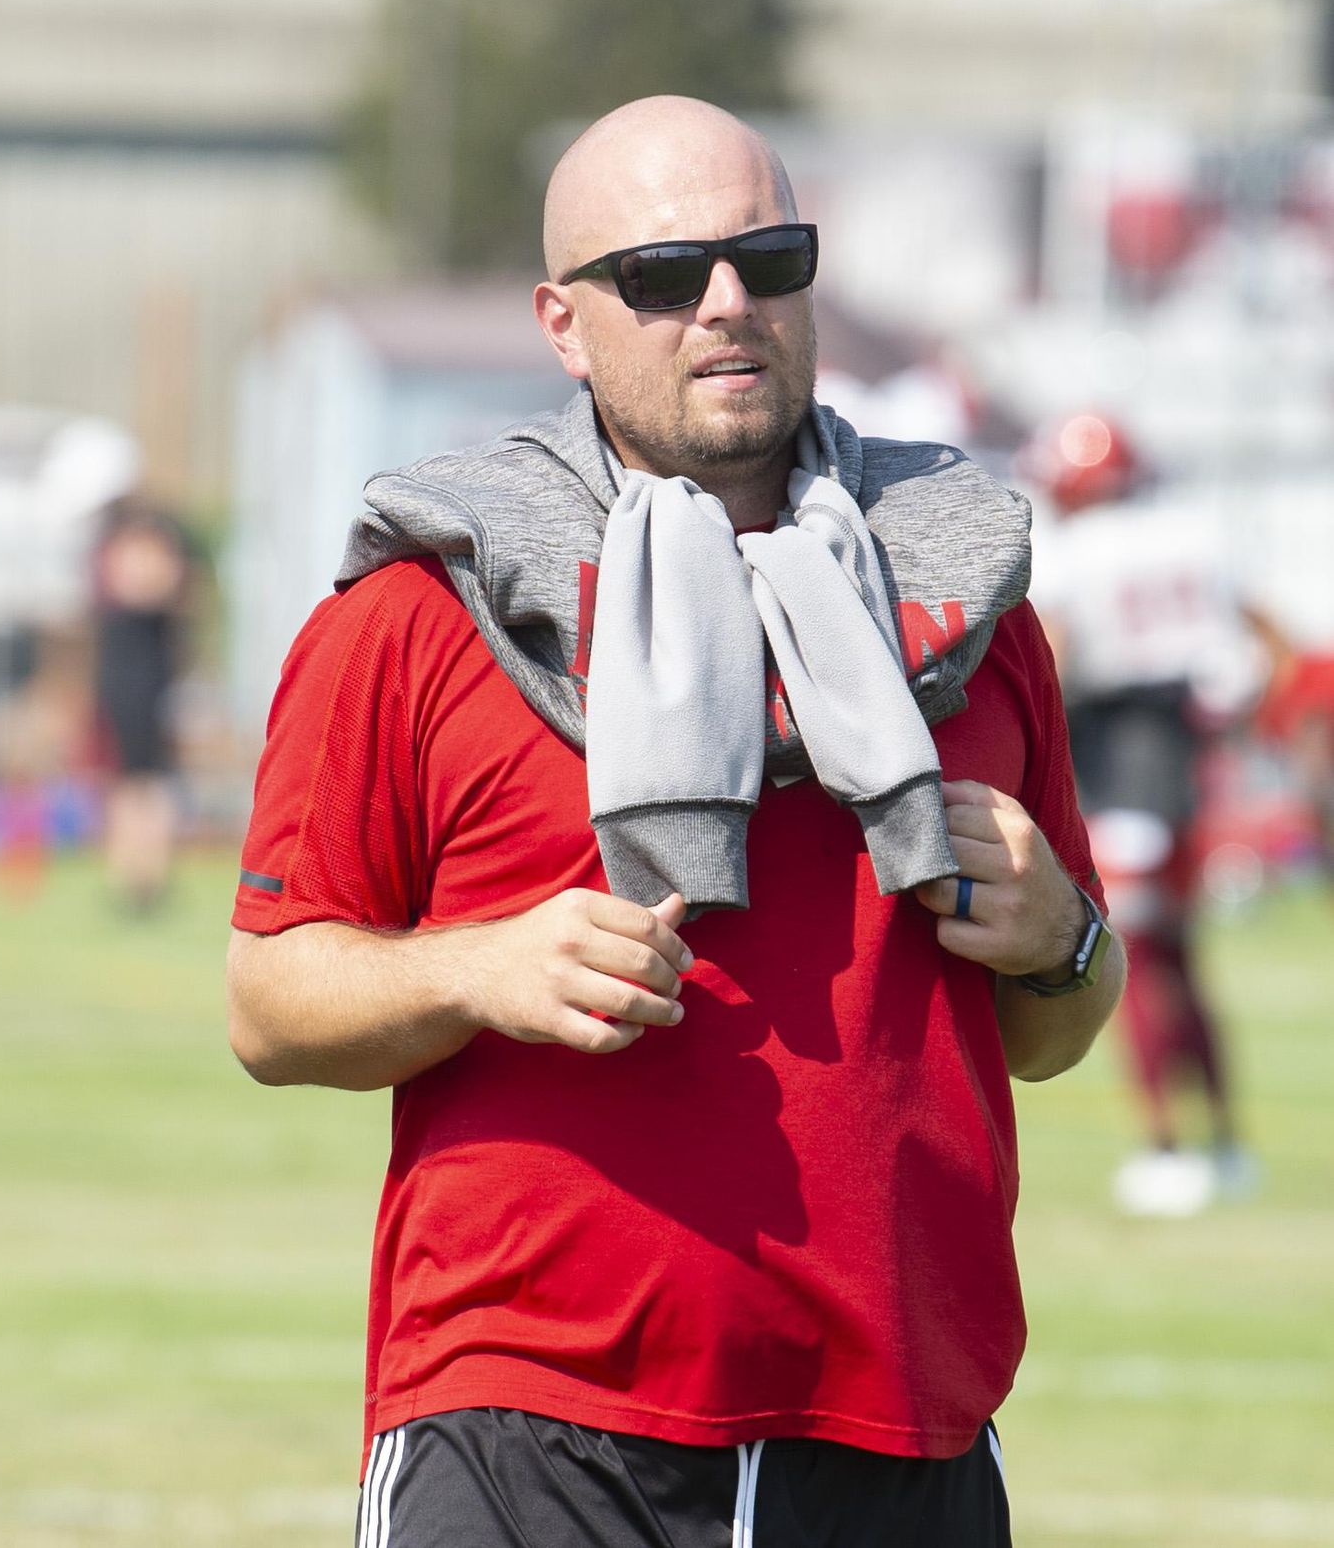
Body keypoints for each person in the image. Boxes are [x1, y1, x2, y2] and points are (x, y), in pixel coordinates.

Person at [227, 96, 1123, 1548]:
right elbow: (271, 999)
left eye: (770, 258)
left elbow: (1054, 1023)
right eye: (662, 273)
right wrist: (475, 967)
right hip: (532, 1424)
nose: (728, 304)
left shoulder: (964, 603)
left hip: (907, 1423)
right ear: (563, 322)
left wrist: (1066, 941)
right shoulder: (417, 609)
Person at [1025, 410, 1261, 1215]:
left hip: (1124, 763)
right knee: (1182, 963)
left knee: (1124, 962)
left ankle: (1168, 1146)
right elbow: (1249, 654)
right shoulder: (1193, 533)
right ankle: (1226, 1140)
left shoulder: (1079, 551)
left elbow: (1052, 657)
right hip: (1183, 762)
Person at [88, 499, 196, 914]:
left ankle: (149, 874)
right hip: (123, 684)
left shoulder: (153, 564)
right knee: (128, 783)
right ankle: (129, 875)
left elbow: (156, 589)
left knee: (150, 784)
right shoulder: (121, 558)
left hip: (150, 684)